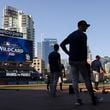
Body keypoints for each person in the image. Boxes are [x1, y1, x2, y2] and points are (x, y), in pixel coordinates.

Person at [60, 20, 98, 105]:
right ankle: (93, 98)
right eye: (85, 26)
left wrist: (68, 53)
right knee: (86, 79)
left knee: (74, 80)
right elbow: (84, 49)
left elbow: (62, 44)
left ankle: (78, 99)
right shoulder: (83, 35)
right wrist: (85, 61)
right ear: (81, 26)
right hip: (80, 60)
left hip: (72, 61)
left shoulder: (72, 35)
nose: (86, 28)